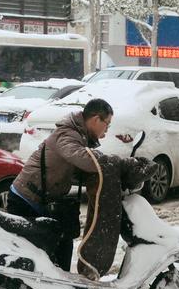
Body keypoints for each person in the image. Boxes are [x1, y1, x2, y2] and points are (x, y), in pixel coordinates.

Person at [8, 98, 113, 272]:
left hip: (41, 199)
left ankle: (57, 287)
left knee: (63, 242)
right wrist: (112, 163)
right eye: (107, 124)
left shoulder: (78, 135)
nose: (107, 130)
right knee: (32, 255)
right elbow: (82, 158)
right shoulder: (68, 134)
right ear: (96, 119)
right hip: (25, 200)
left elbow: (75, 169)